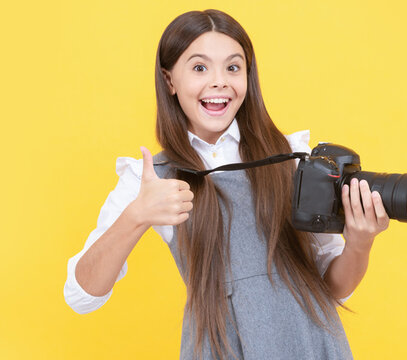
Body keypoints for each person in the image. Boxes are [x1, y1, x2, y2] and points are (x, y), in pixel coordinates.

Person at [63, 9, 389, 360]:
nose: (219, 81)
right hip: (221, 348)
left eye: (233, 67)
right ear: (169, 80)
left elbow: (333, 287)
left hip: (309, 344)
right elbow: (82, 295)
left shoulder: (293, 157)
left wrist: (359, 243)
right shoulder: (149, 178)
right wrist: (136, 215)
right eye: (200, 67)